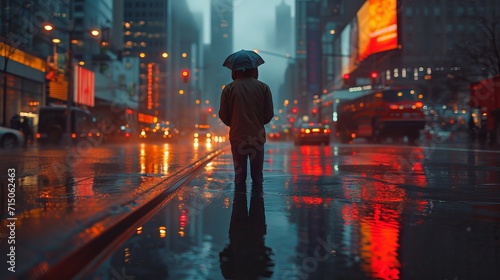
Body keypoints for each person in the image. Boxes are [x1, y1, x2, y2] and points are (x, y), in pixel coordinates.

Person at [219, 67, 274, 184]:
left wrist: (234, 123)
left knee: (239, 177)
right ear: (254, 70)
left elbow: (223, 114)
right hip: (257, 137)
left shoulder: (229, 88)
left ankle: (239, 201)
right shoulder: (263, 88)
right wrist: (257, 122)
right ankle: (257, 200)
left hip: (237, 137)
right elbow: (269, 114)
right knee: (257, 175)